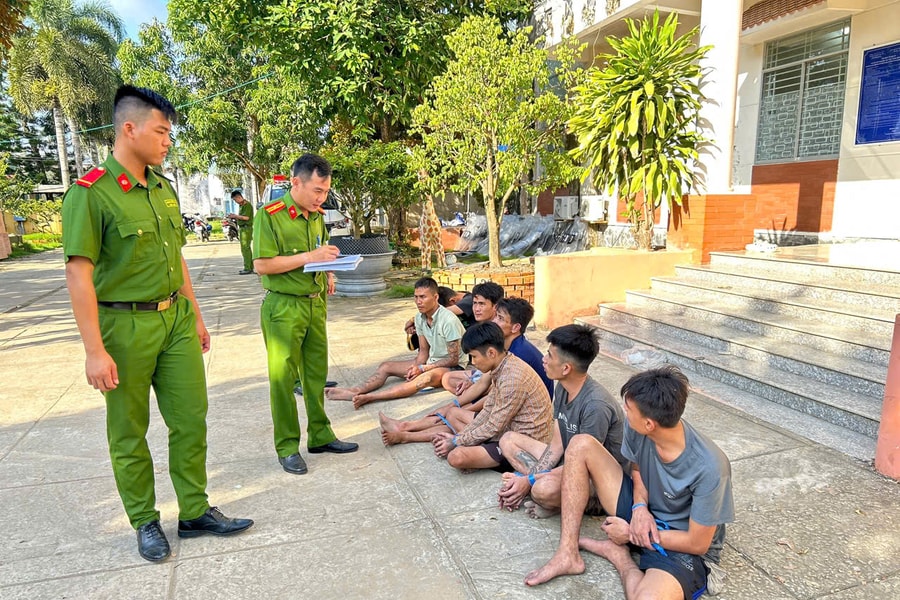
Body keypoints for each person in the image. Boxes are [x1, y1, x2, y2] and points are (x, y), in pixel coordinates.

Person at [61, 85, 253, 563]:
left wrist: (199, 318)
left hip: (177, 322)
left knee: (190, 420)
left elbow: (179, 261)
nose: (168, 141)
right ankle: (146, 520)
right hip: (123, 327)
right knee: (129, 431)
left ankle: (193, 511)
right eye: (161, 131)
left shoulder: (163, 188)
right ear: (129, 128)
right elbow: (78, 274)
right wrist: (93, 350)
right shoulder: (91, 194)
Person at [524, 366, 735, 600]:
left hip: (680, 540)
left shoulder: (710, 467)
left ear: (649, 424)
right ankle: (568, 554)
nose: (624, 410)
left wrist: (632, 535)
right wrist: (639, 507)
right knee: (581, 444)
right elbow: (637, 467)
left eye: (629, 408)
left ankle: (620, 556)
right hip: (643, 510)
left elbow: (698, 544)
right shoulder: (638, 427)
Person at [253, 153, 359, 476]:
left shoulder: (316, 215)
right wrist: (309, 256)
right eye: (316, 190)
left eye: (326, 192)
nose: (321, 198)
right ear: (295, 182)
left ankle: (320, 434)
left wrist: (327, 270)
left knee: (315, 374)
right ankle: (287, 446)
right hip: (283, 305)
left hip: (314, 304)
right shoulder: (269, 216)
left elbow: (318, 250)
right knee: (282, 380)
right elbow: (262, 265)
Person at [379, 297, 551, 445]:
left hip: (519, 419)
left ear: (515, 327)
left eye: (499, 318)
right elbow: (485, 382)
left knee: (460, 419)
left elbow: (494, 398)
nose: (493, 321)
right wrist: (454, 404)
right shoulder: (507, 347)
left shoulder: (519, 356)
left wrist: (465, 408)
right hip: (506, 407)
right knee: (453, 401)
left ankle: (406, 433)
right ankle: (406, 428)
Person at [497, 324, 627, 518]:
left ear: (566, 368)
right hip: (569, 461)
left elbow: (585, 465)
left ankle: (567, 503)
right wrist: (529, 478)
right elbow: (557, 444)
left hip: (599, 480)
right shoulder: (563, 387)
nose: (544, 359)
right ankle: (541, 489)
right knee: (508, 440)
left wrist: (531, 481)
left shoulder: (596, 405)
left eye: (549, 355)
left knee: (542, 490)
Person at [327, 277, 465, 409]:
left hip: (454, 368)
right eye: (416, 297)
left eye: (423, 297)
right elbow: (423, 351)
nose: (418, 301)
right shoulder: (419, 318)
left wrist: (423, 369)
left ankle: (371, 397)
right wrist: (416, 368)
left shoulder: (448, 321)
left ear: (435, 298)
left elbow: (453, 360)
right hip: (430, 361)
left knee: (422, 380)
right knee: (386, 366)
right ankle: (356, 390)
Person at [432, 322, 554, 473]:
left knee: (456, 457)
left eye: (474, 356)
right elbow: (488, 410)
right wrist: (460, 437)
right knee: (454, 414)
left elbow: (493, 426)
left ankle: (487, 457)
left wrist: (456, 441)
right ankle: (479, 452)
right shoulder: (502, 365)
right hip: (506, 428)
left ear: (491, 353)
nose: (473, 362)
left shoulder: (512, 378)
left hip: (522, 442)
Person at [441, 281, 504, 396]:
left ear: (495, 307)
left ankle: (473, 398)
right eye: (475, 303)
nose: (477, 309)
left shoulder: (500, 329)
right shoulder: (481, 326)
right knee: (447, 378)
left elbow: (499, 369)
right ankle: (472, 396)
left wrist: (474, 381)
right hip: (484, 373)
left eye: (482, 304)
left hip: (499, 377)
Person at [404, 286, 473, 351]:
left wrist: (414, 319)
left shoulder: (470, 300)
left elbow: (439, 312)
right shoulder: (452, 297)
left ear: (452, 301)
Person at [227, 189, 254, 274]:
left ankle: (248, 268)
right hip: (242, 228)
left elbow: (246, 218)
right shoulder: (241, 205)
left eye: (235, 199)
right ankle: (248, 266)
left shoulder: (247, 205)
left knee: (246, 248)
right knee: (244, 248)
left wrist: (235, 216)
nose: (235, 202)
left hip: (246, 228)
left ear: (239, 197)